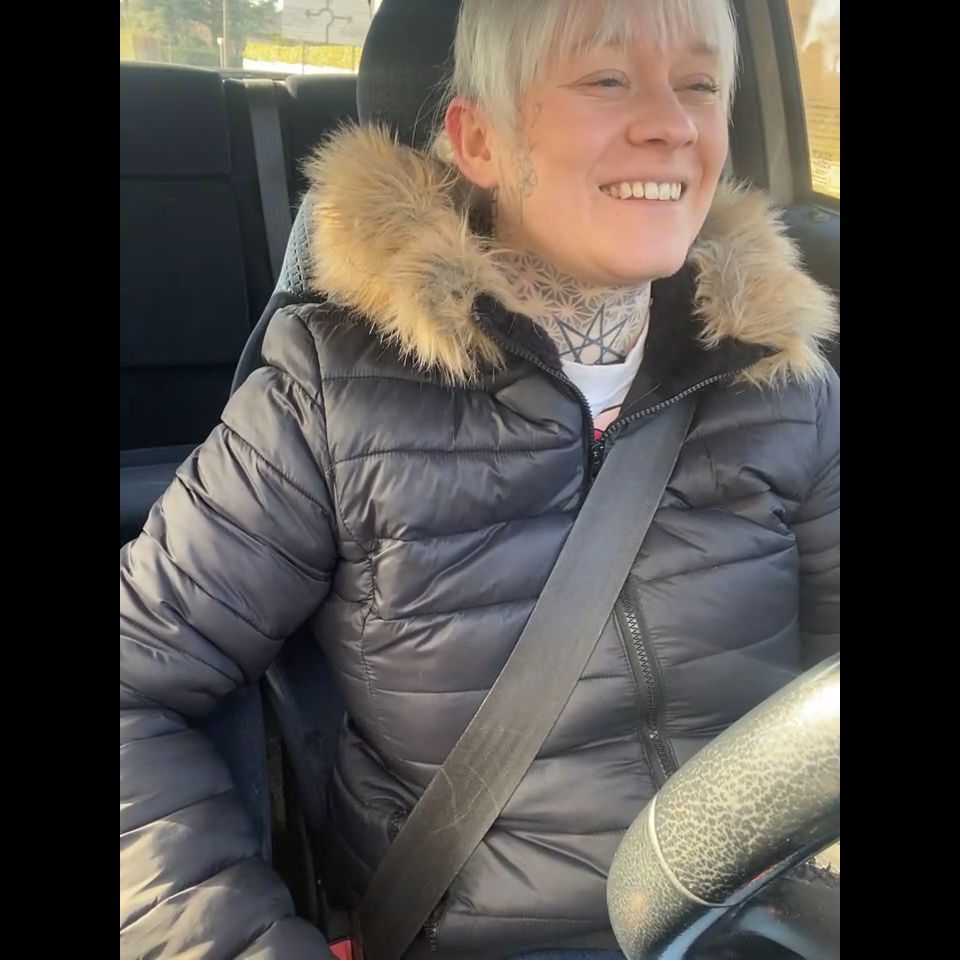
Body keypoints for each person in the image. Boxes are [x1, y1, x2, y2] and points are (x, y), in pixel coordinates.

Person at [120, 1, 839, 957]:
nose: (673, 124)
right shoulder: (332, 394)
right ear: (480, 141)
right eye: (607, 79)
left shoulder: (788, 387)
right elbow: (134, 684)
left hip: (762, 927)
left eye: (701, 85)